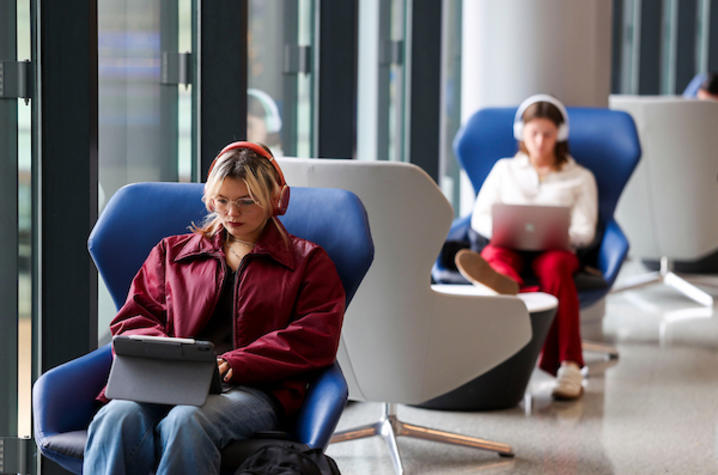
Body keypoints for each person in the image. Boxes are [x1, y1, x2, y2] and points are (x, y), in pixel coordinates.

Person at [83, 141, 346, 474]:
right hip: (166, 380)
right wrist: (168, 355)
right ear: (209, 198)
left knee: (188, 420)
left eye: (246, 202)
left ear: (276, 200)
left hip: (254, 388)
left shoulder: (308, 262)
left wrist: (234, 363)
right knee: (115, 418)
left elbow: (315, 337)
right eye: (222, 201)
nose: (232, 214)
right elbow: (134, 317)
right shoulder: (171, 253)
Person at [455, 94, 597, 400]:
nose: (540, 141)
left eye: (547, 134)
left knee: (556, 268)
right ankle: (507, 284)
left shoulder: (580, 177)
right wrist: (507, 228)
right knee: (493, 257)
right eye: (534, 133)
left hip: (558, 250)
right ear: (522, 134)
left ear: (560, 135)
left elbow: (586, 229)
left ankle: (570, 365)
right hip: (508, 243)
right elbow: (480, 217)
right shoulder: (504, 169)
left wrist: (560, 232)